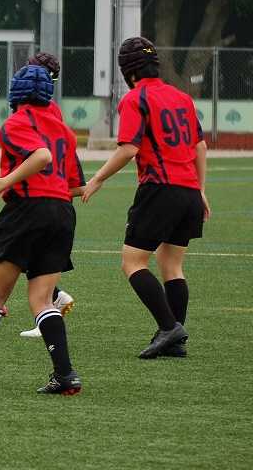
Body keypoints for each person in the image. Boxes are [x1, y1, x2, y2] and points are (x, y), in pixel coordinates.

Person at [0, 64, 85, 395]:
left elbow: (40, 156)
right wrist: (10, 174)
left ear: (16, 93)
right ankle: (65, 374)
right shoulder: (65, 132)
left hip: (27, 213)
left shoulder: (15, 123)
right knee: (42, 299)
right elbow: (75, 185)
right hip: (62, 213)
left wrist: (6, 181)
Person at [82, 37, 207, 359]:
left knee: (132, 262)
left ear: (128, 71)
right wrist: (201, 190)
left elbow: (128, 149)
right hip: (189, 192)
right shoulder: (182, 97)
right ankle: (175, 341)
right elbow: (200, 146)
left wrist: (97, 179)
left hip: (160, 189)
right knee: (172, 265)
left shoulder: (136, 98)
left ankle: (168, 327)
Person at [18, 51, 75, 338]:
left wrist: (7, 179)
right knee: (30, 254)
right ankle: (54, 298)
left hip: (41, 193)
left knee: (26, 254)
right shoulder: (50, 108)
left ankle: (51, 303)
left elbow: (40, 155)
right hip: (50, 191)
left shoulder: (39, 110)